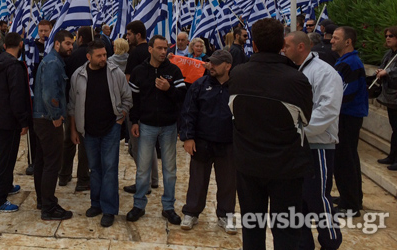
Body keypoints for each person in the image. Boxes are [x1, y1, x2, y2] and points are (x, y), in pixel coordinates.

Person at [229, 18, 313, 249]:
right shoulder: (297, 80)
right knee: (286, 231)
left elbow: (234, 113)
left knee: (252, 229)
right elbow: (305, 119)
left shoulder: (237, 74)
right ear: (281, 45)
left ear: (253, 45)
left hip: (248, 164)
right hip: (286, 167)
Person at [284, 31, 344, 250]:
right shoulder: (294, 71)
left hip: (317, 145)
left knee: (317, 198)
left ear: (301, 47)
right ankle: (303, 244)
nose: (284, 50)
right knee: (297, 201)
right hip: (296, 146)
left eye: (287, 46)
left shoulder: (325, 73)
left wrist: (298, 130)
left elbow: (327, 110)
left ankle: (330, 241)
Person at [69, 40, 133, 227]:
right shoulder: (78, 76)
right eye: (99, 55)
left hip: (110, 129)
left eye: (105, 54)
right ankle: (95, 203)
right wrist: (74, 130)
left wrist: (120, 118)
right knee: (95, 169)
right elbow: (72, 105)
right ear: (89, 57)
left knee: (110, 169)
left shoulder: (115, 73)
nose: (104, 58)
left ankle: (109, 209)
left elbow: (127, 98)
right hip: (88, 131)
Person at [126, 35, 187, 225]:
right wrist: (134, 121)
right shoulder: (139, 71)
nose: (163, 52)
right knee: (143, 169)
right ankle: (139, 205)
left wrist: (169, 88)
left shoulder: (174, 70)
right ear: (150, 49)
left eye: (166, 48)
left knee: (170, 170)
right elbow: (133, 100)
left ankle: (168, 207)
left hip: (169, 126)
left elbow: (183, 97)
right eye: (159, 48)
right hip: (146, 125)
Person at [178, 50, 236, 234]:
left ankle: (226, 215)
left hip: (228, 143)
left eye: (216, 63)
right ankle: (191, 212)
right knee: (197, 180)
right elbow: (188, 112)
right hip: (202, 142)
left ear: (227, 66)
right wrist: (188, 137)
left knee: (227, 182)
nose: (211, 66)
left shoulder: (237, 87)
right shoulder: (199, 85)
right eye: (210, 62)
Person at [32, 29, 75, 221]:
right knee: (52, 164)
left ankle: (43, 200)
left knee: (42, 161)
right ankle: (48, 207)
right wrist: (56, 115)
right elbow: (50, 94)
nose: (71, 47)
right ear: (57, 44)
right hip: (48, 120)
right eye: (67, 43)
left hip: (43, 118)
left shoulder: (54, 61)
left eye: (72, 43)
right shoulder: (53, 63)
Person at [0, 32, 31, 213]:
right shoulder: (14, 66)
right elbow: (17, 95)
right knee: (7, 158)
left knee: (3, 156)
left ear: (5, 46)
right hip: (10, 119)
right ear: (21, 45)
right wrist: (23, 120)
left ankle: (4, 185)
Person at [331, 26, 368, 217]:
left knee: (345, 159)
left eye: (336, 38)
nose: (331, 40)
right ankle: (351, 197)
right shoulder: (345, 61)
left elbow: (346, 93)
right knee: (349, 158)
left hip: (348, 116)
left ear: (348, 42)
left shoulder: (351, 63)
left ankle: (350, 205)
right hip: (347, 115)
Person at [123, 20, 158, 194]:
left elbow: (128, 80)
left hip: (137, 105)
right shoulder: (154, 51)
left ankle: (142, 182)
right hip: (152, 105)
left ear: (137, 35)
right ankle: (154, 179)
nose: (127, 38)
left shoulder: (135, 53)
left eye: (129, 34)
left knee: (137, 145)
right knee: (149, 143)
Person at [59, 26, 91, 191]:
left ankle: (64, 175)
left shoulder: (72, 56)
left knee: (68, 140)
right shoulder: (92, 55)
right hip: (88, 104)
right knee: (84, 142)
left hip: (70, 101)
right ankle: (83, 178)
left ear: (80, 39)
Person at [25, 20, 53, 176]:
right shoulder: (32, 47)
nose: (43, 34)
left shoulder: (53, 47)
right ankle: (33, 160)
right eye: (41, 31)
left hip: (48, 94)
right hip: (34, 94)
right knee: (33, 130)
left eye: (46, 31)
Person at [376, 26, 397, 170]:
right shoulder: (389, 54)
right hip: (391, 98)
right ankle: (392, 155)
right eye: (386, 36)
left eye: (391, 36)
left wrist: (387, 72)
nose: (388, 38)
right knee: (394, 127)